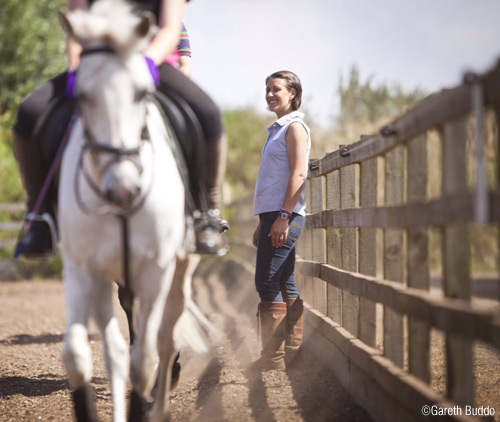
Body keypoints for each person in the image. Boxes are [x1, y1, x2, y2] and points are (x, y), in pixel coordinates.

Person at [12, 0, 228, 258]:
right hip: (95, 62)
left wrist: (145, 63)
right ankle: (39, 215)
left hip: (148, 60)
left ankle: (208, 212)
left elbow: (171, 29)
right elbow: (76, 29)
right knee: (29, 113)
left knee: (208, 113)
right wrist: (75, 70)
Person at [252, 70, 311, 371]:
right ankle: (291, 354)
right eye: (267, 90)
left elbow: (299, 174)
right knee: (285, 281)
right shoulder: (276, 130)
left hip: (285, 215)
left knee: (266, 281)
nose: (270, 94)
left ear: (293, 94)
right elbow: (273, 180)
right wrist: (264, 220)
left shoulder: (295, 128)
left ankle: (272, 359)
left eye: (276, 89)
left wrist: (284, 216)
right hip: (273, 215)